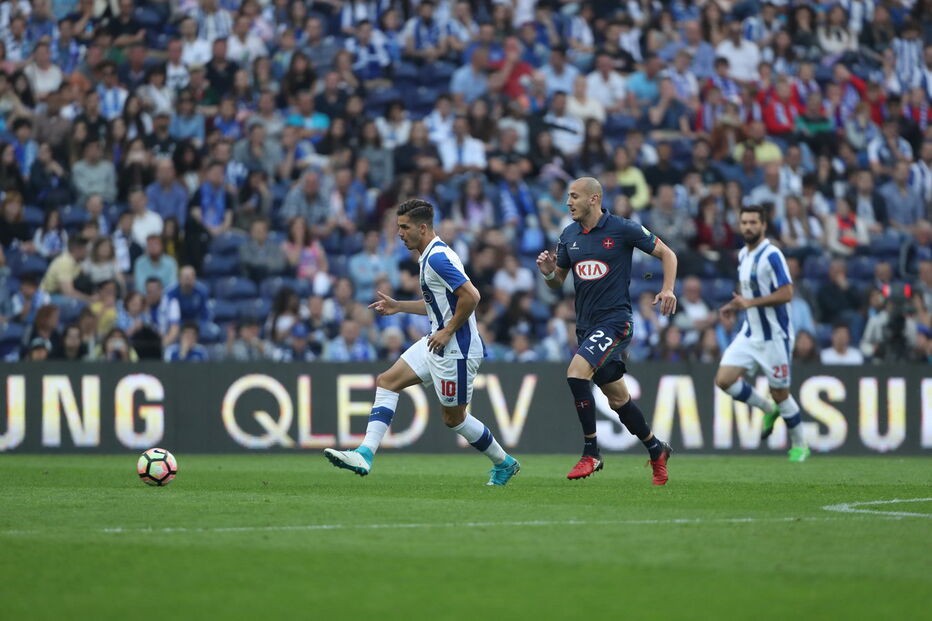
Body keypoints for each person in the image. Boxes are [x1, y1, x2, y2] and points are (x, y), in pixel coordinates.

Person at [324, 199, 520, 486]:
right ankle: (364, 454)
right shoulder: (431, 255)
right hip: (436, 342)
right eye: (399, 227)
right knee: (387, 381)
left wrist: (448, 330)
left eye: (405, 227)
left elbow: (472, 296)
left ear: (423, 228)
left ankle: (504, 463)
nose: (400, 233)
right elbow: (440, 304)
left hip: (456, 349)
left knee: (454, 419)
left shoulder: (437, 258)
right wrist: (399, 306)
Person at [536, 177, 678, 484]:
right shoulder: (568, 234)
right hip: (585, 327)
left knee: (576, 373)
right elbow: (558, 281)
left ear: (594, 199)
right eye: (568, 197)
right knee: (618, 400)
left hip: (615, 322)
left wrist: (667, 289)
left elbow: (668, 254)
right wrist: (548, 274)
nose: (568, 202)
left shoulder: (623, 229)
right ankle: (656, 449)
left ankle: (591, 452)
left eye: (574, 196)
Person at [715, 205, 810, 463]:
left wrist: (750, 303)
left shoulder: (772, 255)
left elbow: (787, 293)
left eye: (753, 222)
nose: (748, 227)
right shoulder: (744, 255)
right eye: (744, 222)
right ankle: (768, 409)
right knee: (724, 380)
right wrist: (735, 305)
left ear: (763, 225)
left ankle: (800, 445)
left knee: (781, 394)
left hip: (774, 337)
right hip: (750, 333)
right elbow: (749, 294)